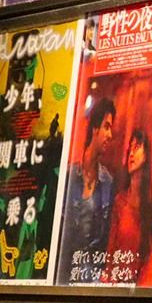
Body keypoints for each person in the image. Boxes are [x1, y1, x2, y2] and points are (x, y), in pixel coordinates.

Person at [59, 97, 116, 280]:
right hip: (63, 274)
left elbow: (104, 240)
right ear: (95, 129)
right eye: (107, 126)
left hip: (90, 277)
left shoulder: (107, 182)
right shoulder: (68, 176)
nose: (110, 135)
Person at [107, 129, 152, 284]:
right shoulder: (120, 201)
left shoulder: (150, 206)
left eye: (137, 147)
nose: (131, 154)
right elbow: (110, 251)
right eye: (130, 148)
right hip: (116, 284)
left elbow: (149, 253)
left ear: (146, 155)